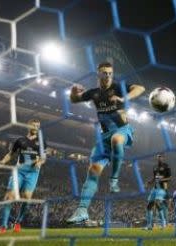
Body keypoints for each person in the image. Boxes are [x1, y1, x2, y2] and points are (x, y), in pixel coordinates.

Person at [67, 61, 145, 223]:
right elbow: (75, 99)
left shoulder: (117, 88)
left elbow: (140, 88)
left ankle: (114, 180)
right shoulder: (94, 93)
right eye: (104, 73)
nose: (108, 76)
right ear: (99, 74)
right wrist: (72, 92)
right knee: (93, 170)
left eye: (110, 73)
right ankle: (82, 211)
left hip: (123, 130)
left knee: (117, 139)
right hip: (104, 137)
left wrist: (124, 98)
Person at [0, 119, 47, 233]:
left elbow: (43, 157)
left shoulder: (42, 141)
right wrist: (3, 161)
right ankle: (3, 225)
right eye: (34, 125)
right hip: (19, 171)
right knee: (9, 197)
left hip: (33, 172)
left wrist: (39, 162)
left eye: (38, 126)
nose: (36, 127)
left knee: (27, 197)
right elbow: (10, 154)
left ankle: (18, 222)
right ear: (28, 126)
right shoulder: (19, 140)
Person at [152, 153, 171, 222]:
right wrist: (150, 182)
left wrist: (161, 179)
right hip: (156, 187)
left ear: (163, 158)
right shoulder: (154, 167)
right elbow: (154, 178)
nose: (159, 158)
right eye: (158, 157)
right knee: (156, 203)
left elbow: (169, 177)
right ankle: (159, 221)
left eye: (160, 157)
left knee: (163, 203)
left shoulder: (166, 166)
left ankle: (165, 221)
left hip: (164, 186)